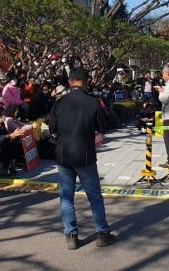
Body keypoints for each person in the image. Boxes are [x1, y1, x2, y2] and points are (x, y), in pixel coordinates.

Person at [50, 67, 114, 250]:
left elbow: (52, 127)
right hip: (85, 155)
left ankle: (71, 236)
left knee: (66, 198)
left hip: (63, 155)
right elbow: (103, 126)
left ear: (70, 82)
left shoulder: (59, 103)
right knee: (94, 196)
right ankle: (102, 234)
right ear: (86, 82)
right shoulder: (93, 103)